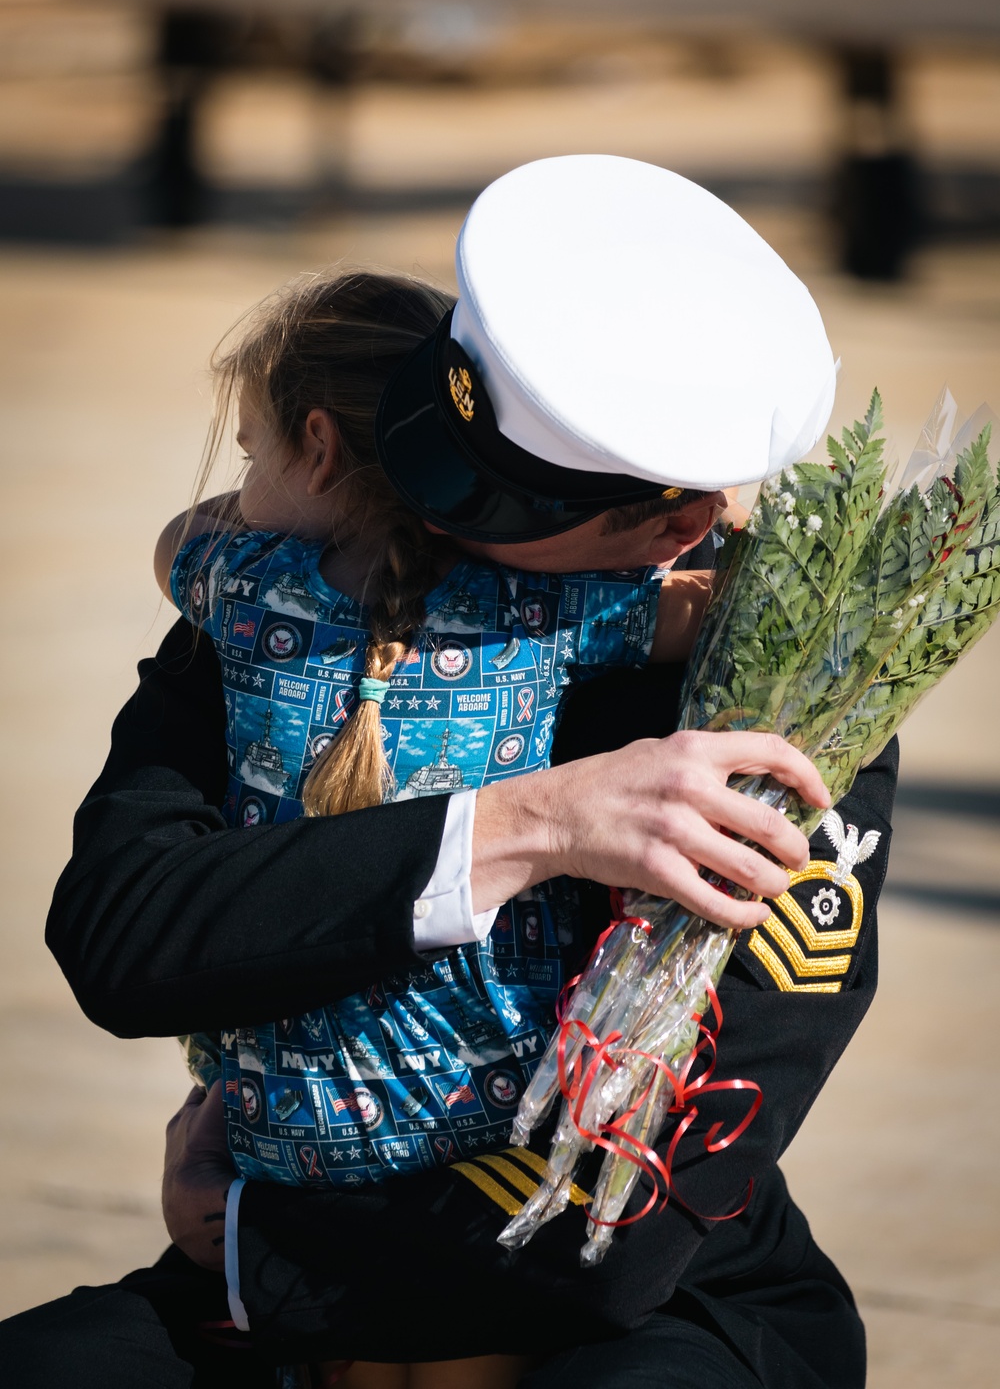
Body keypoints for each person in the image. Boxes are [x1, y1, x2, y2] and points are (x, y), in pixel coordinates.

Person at [1, 157, 895, 1389]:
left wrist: (263, 1249)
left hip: (608, 1305)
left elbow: (630, 1214)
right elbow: (122, 936)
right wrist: (512, 827)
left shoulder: (788, 706)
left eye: (486, 494)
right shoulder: (308, 590)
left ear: (667, 529)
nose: (429, 520)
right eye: (428, 444)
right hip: (285, 1250)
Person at [156, 266, 728, 1192]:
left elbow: (180, 536)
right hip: (487, 1126)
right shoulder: (543, 611)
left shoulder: (244, 588)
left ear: (316, 445)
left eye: (250, 452)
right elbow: (716, 609)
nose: (241, 485)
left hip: (278, 1141)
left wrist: (309, 514)